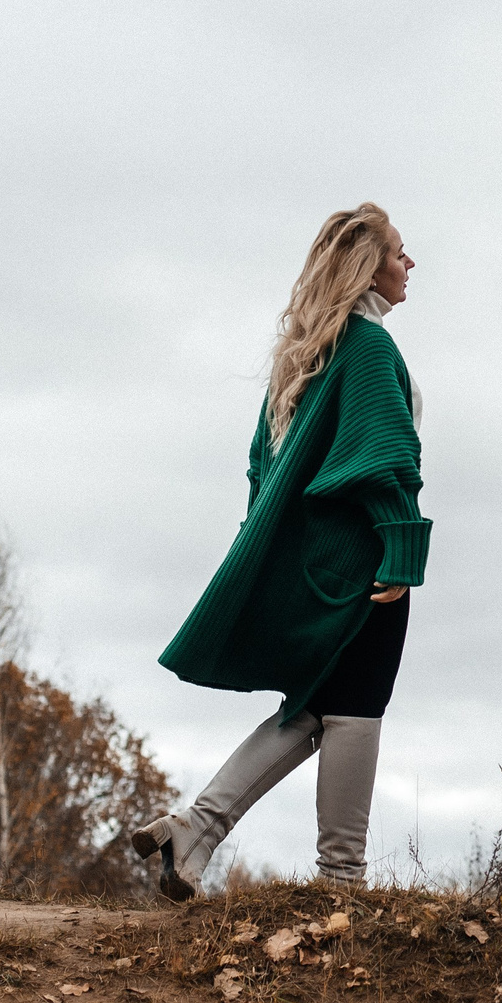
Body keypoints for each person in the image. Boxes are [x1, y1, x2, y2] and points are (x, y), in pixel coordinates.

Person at [132, 203, 428, 900]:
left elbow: (261, 469)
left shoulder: (304, 357)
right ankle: (340, 878)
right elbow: (383, 457)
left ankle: (196, 826)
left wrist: (266, 556)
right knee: (358, 705)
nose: (409, 264)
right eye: (399, 252)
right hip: (363, 560)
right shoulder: (370, 348)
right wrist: (402, 545)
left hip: (314, 563)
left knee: (313, 707)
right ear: (367, 266)